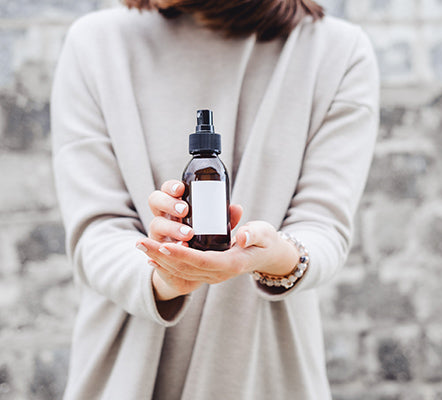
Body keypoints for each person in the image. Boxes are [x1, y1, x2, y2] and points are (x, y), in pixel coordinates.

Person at [51, 0, 379, 398]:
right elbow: (95, 231)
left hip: (264, 370)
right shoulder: (96, 44)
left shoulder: (336, 52)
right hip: (127, 371)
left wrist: (276, 256)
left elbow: (325, 226)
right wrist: (162, 275)